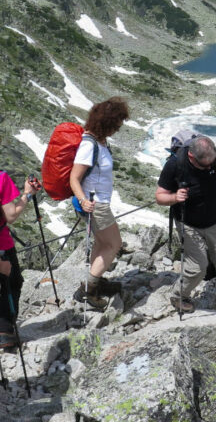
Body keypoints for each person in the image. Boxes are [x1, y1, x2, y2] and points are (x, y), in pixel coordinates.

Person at [155, 135, 216, 324]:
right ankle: (178, 295)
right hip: (188, 223)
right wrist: (175, 197)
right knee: (197, 267)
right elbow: (160, 196)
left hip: (215, 220)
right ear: (192, 156)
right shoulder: (175, 165)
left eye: (212, 164)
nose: (209, 167)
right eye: (204, 165)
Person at [70, 96, 129, 309]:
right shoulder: (89, 145)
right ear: (106, 124)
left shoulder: (100, 142)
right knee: (114, 244)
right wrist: (83, 200)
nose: (118, 128)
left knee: (102, 243)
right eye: (116, 124)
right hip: (96, 205)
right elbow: (74, 178)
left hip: (98, 202)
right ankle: (88, 290)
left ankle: (94, 282)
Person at [0, 171, 41, 348]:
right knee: (12, 282)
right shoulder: (1, 178)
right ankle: (4, 332)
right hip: (2, 245)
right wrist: (27, 195)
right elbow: (11, 215)